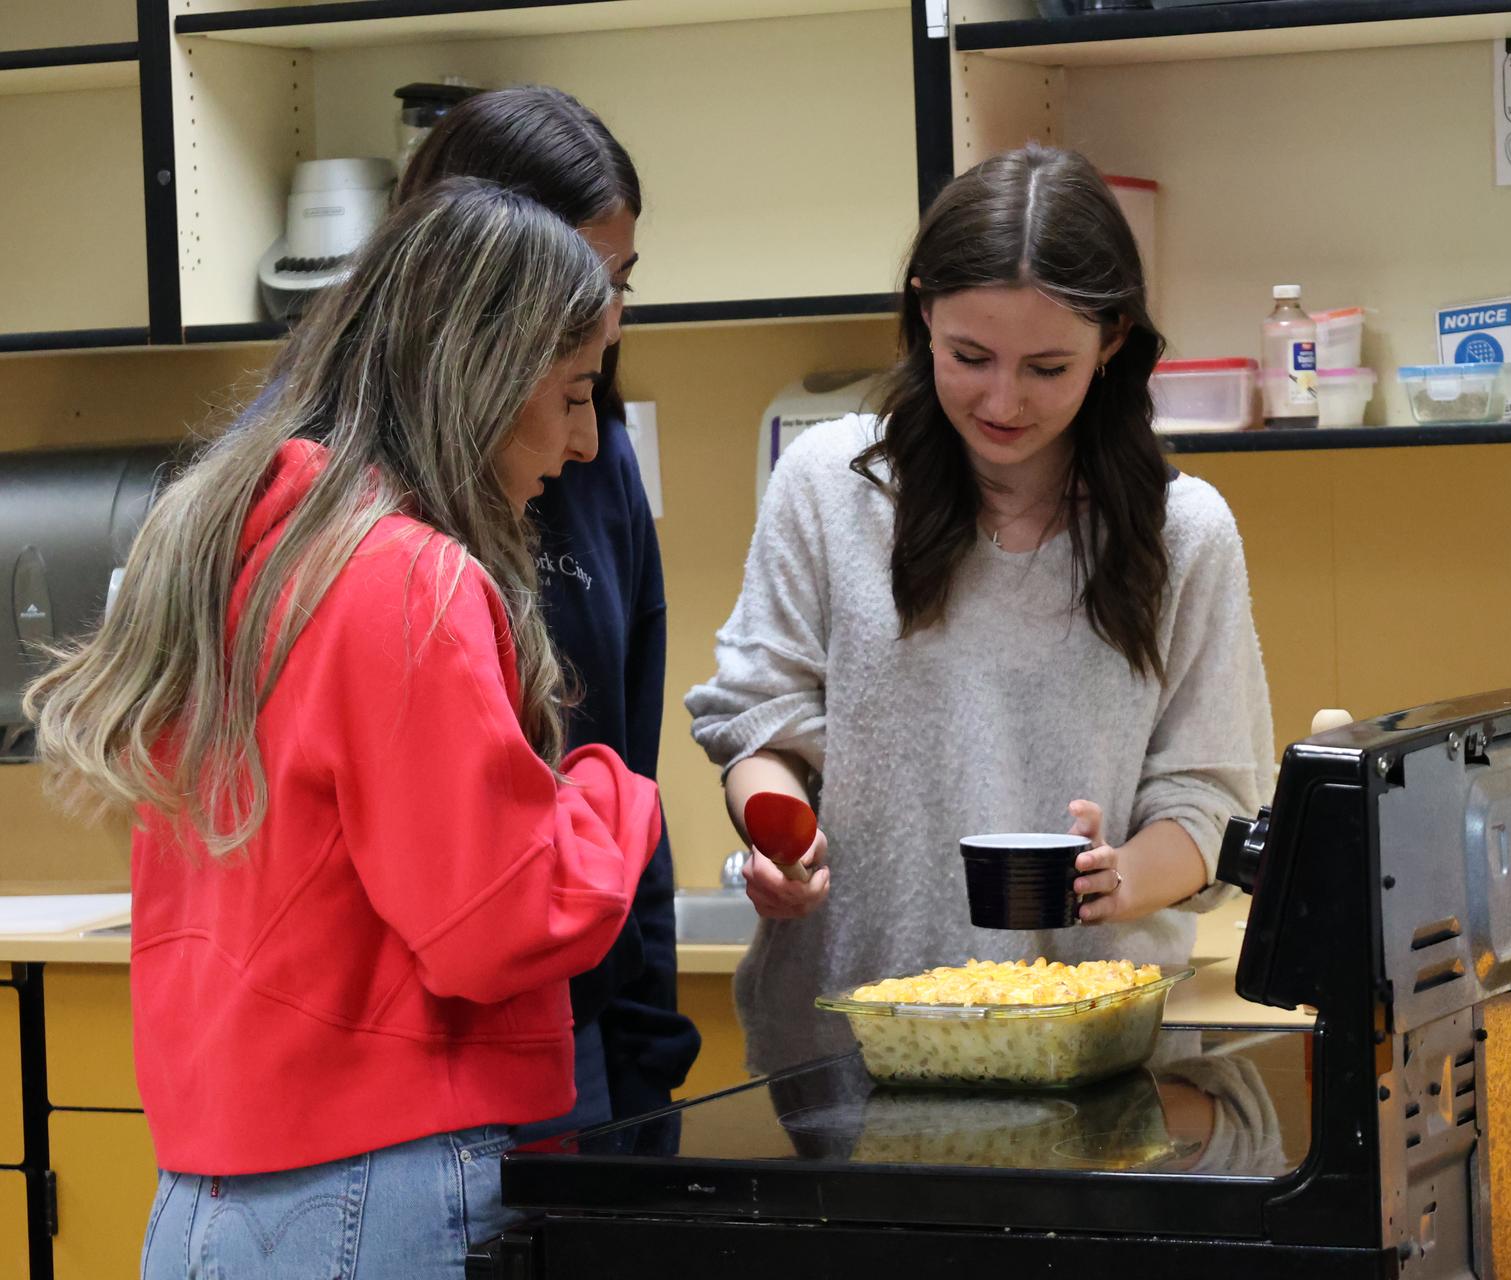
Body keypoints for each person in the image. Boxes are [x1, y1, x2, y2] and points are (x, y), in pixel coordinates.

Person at [25, 179, 659, 1277]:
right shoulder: (408, 580)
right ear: (485, 378)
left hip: (205, 1198)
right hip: (378, 1187)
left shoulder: (230, 541)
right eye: (572, 391)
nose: (587, 440)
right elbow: (495, 922)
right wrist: (613, 794)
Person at [686, 143, 1275, 1075]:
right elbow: (760, 727)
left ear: (1113, 341)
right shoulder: (828, 486)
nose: (1003, 400)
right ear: (923, 312)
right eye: (970, 356)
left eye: (1047, 367)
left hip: (1087, 1057)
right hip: (843, 1050)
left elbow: (1208, 802)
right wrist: (778, 846)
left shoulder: (1183, 532)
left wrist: (1121, 879)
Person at [395, 85, 700, 1130]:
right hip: (414, 1064)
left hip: (578, 1041)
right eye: (580, 281)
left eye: (621, 282)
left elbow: (630, 769)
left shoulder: (597, 457)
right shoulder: (358, 511)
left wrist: (646, 1051)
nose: (607, 319)